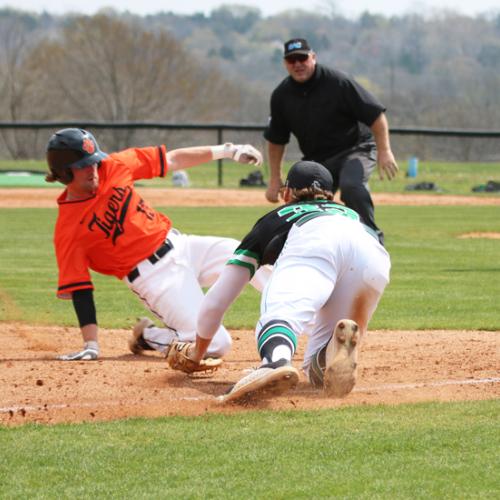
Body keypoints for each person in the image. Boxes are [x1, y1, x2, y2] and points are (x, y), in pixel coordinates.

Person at [167, 160, 391, 402]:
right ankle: (331, 354)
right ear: (329, 194)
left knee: (279, 313)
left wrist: (197, 352)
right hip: (373, 255)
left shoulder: (278, 216)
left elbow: (217, 300)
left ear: (287, 193)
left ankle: (276, 360)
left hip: (314, 240)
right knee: (317, 371)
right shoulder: (350, 213)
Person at [45, 128, 268, 361]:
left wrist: (228, 151)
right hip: (155, 278)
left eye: (94, 161)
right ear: (64, 173)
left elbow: (173, 159)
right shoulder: (68, 229)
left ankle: (296, 318)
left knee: (251, 256)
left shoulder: (113, 166)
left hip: (183, 245)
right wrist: (91, 344)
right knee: (215, 345)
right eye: (83, 165)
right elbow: (81, 290)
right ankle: (149, 336)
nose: (93, 169)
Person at [264, 37, 399, 245]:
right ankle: (311, 247)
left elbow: (375, 115)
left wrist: (385, 150)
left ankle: (372, 241)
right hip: (318, 160)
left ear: (313, 57)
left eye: (302, 58)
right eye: (292, 60)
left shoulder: (338, 82)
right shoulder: (281, 96)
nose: (298, 64)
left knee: (352, 186)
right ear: (285, 64)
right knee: (302, 200)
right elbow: (276, 140)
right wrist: (275, 178)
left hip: (355, 149)